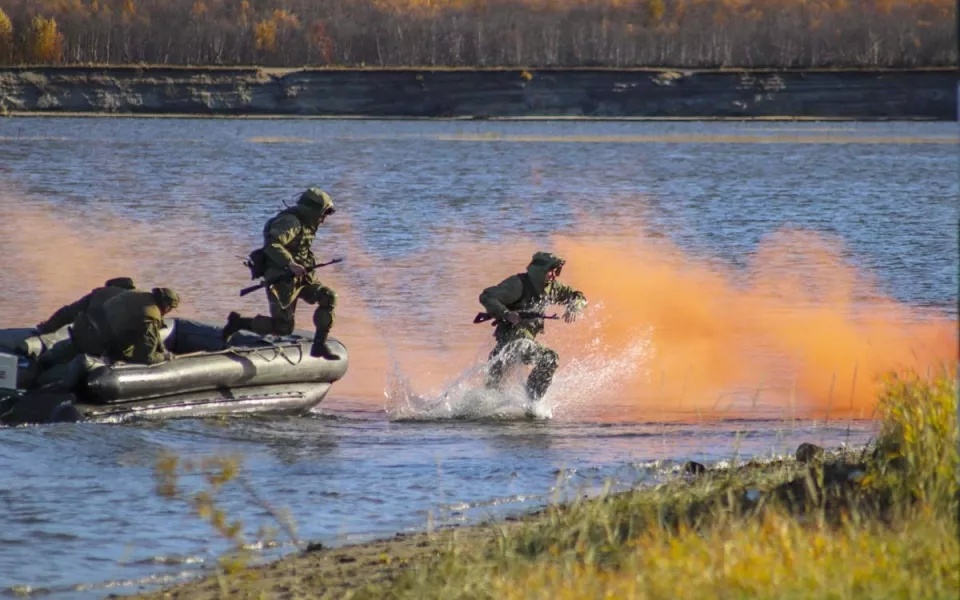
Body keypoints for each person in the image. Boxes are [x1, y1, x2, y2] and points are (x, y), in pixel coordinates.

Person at [222, 187, 341, 360]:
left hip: (303, 277)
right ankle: (238, 323)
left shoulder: (307, 224)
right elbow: (273, 245)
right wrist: (291, 264)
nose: (322, 220)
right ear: (312, 211)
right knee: (283, 328)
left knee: (328, 296)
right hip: (281, 279)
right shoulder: (290, 222)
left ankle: (319, 345)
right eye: (322, 215)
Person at [479, 252, 587, 402]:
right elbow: (487, 296)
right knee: (549, 358)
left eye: (557, 271)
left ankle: (529, 401)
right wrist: (506, 313)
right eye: (551, 271)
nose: (554, 275)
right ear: (540, 270)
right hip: (512, 342)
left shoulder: (552, 288)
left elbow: (578, 296)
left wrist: (574, 306)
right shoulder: (517, 284)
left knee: (492, 395)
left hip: (516, 345)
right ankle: (531, 402)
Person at [42, 287, 181, 370]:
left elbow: (68, 312)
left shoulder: (134, 296)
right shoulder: (150, 316)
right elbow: (146, 357)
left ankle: (42, 362)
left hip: (80, 331)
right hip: (97, 349)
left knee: (63, 352)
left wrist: (45, 328)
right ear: (167, 307)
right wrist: (165, 357)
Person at [34, 277, 137, 335]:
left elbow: (67, 313)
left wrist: (45, 329)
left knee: (55, 355)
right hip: (129, 347)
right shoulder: (139, 299)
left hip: (98, 342)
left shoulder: (98, 294)